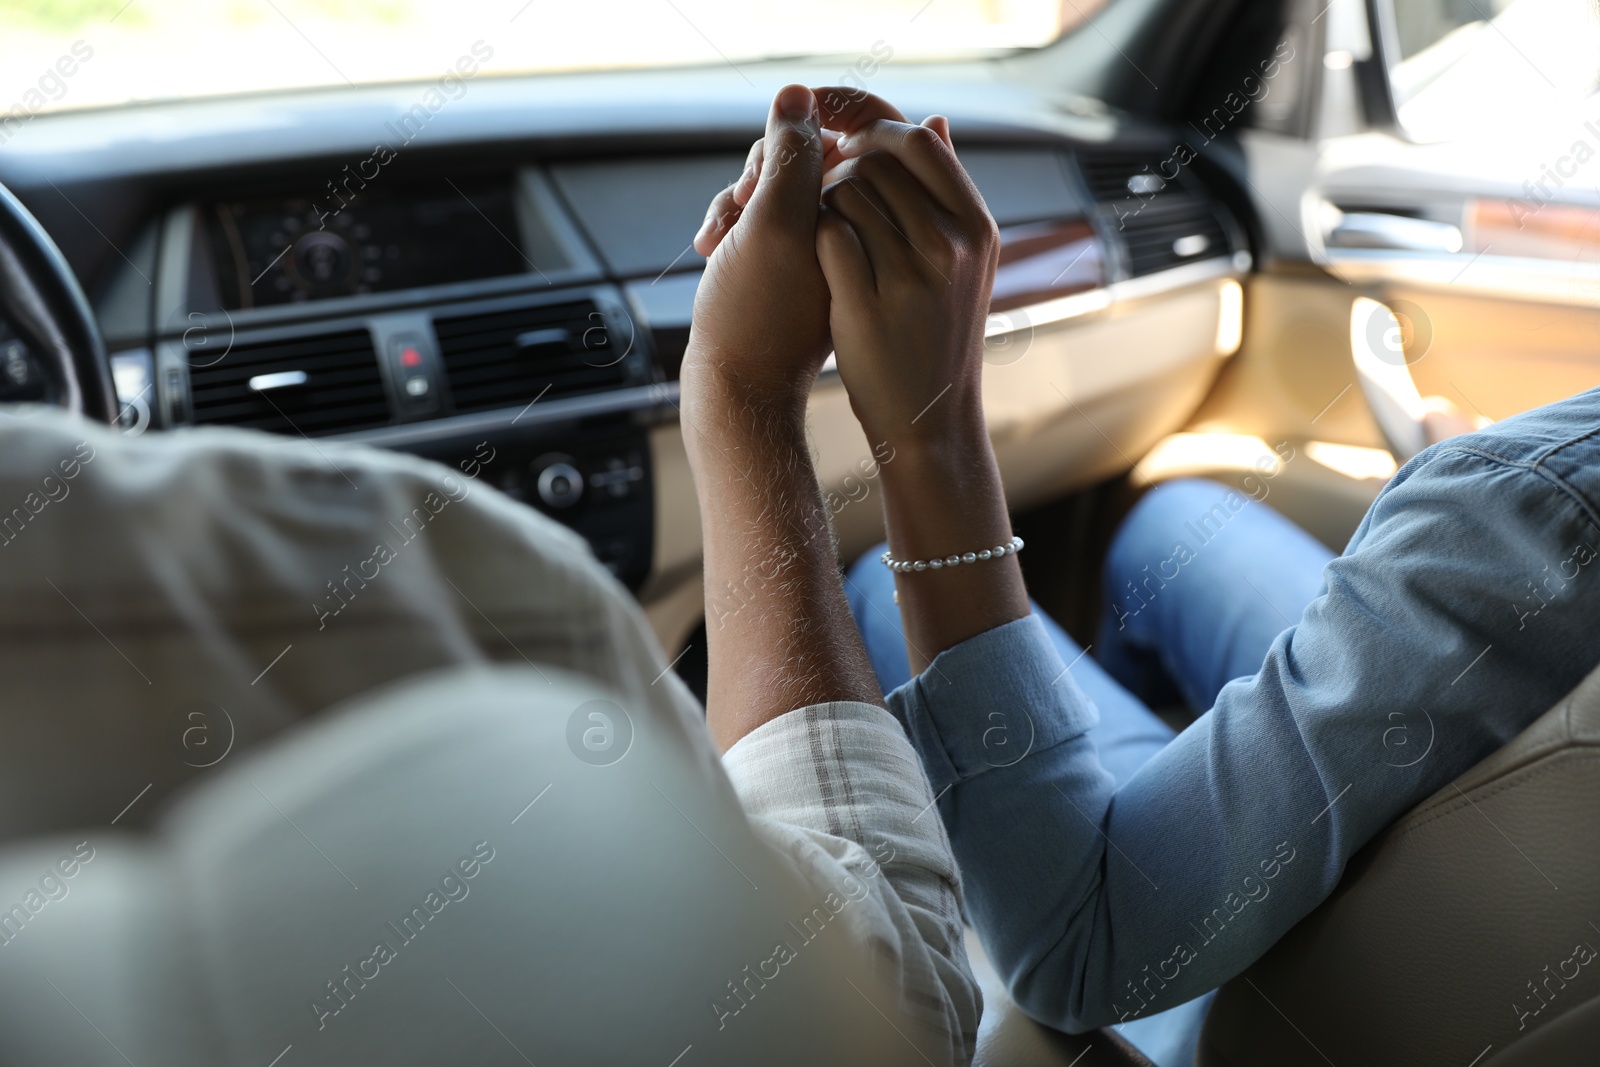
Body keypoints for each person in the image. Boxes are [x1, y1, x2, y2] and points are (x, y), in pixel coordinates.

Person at [688, 84, 1600, 1066]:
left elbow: (1075, 945)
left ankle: (1135, 813)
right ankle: (1193, 789)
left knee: (872, 587)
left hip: (1263, 1007)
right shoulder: (1517, 503)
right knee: (1163, 521)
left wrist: (901, 419)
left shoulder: (1523, 509)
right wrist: (1466, 475)